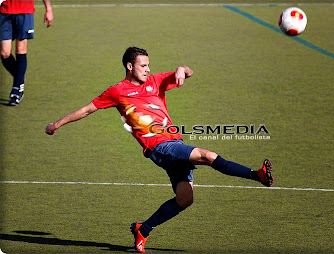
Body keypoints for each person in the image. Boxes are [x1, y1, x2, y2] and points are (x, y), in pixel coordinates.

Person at [45, 47, 274, 253]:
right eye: (143, 65)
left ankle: (143, 229)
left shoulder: (155, 81)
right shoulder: (117, 92)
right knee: (207, 155)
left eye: (148, 65)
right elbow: (86, 110)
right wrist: (56, 124)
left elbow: (188, 71)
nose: (147, 69)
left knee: (185, 199)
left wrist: (181, 69)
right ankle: (257, 175)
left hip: (176, 143)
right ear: (130, 66)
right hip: (159, 147)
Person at [0, 0, 53, 106]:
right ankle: (19, 76)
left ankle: (16, 90)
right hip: (4, 10)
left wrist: (48, 9)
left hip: (24, 11)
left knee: (21, 49)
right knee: (4, 53)